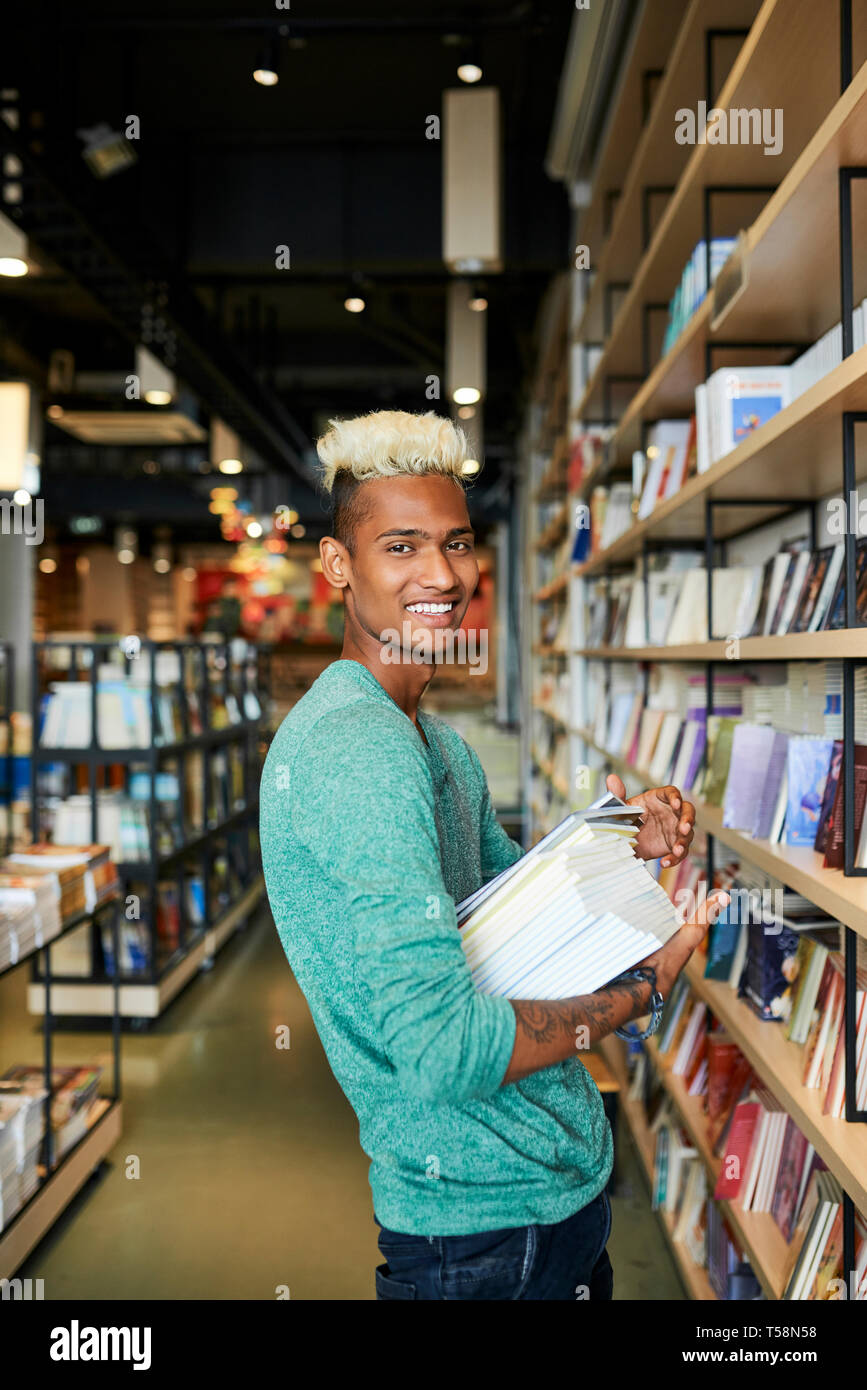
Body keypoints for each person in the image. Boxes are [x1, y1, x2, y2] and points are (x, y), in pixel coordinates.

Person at [259, 409, 728, 1301]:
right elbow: (442, 1051)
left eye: (457, 543)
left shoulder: (432, 744)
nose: (441, 575)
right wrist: (640, 994)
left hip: (539, 1206)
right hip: (482, 1236)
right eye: (400, 547)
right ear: (337, 567)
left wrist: (623, 834)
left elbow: (523, 918)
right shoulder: (357, 750)